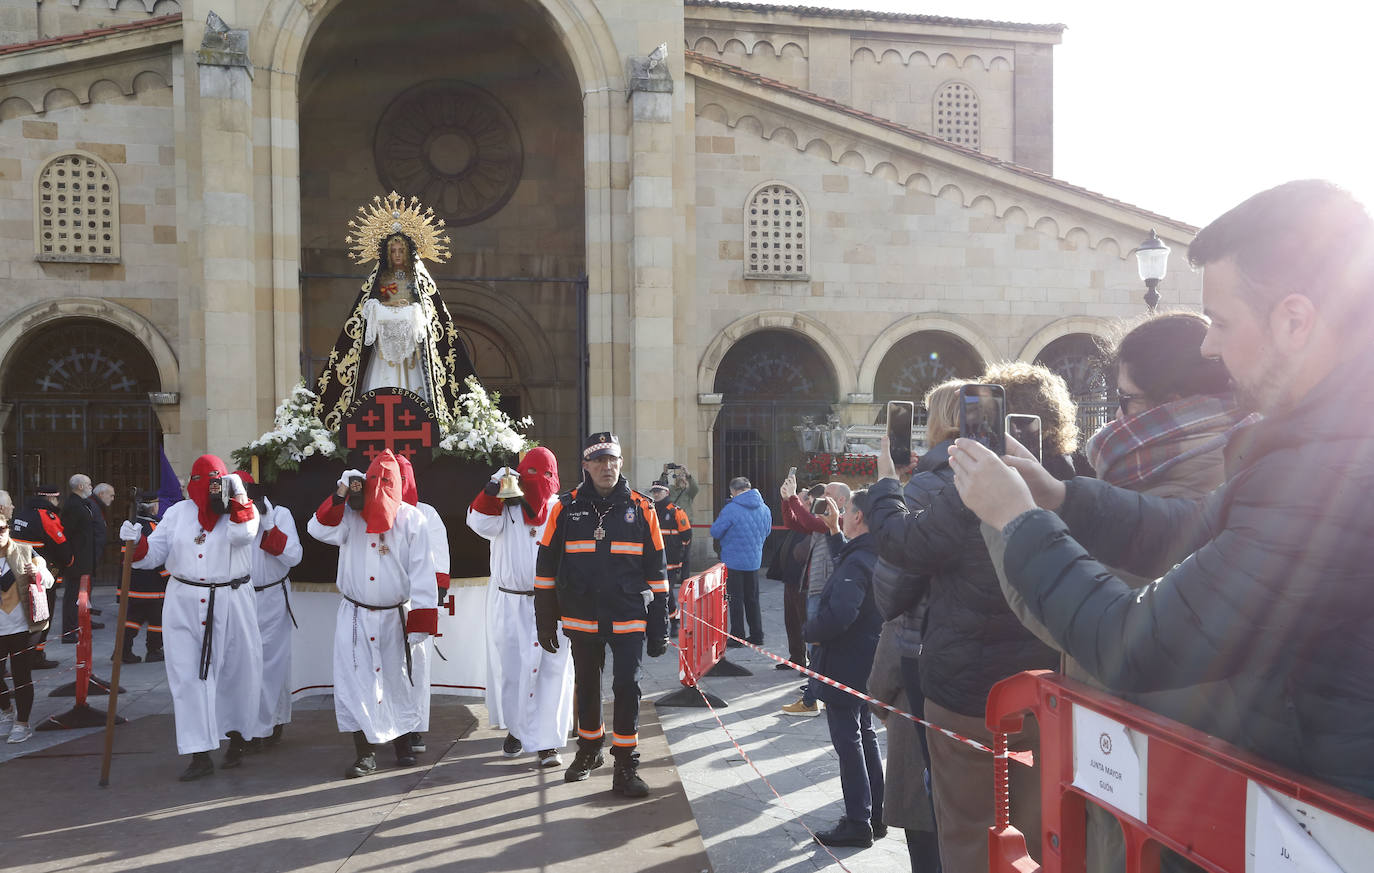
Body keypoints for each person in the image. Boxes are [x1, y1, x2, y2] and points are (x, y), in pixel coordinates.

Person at [947, 180, 1374, 802]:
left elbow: (1135, 645)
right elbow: (1192, 532)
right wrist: (1061, 497)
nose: (1209, 344)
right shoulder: (1320, 445)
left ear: (1294, 319)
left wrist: (1015, 519)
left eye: (1222, 322)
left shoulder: (1325, 474)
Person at [868, 362, 1079, 873]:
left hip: (967, 691)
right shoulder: (1080, 484)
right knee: (1040, 828)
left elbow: (900, 560)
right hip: (1051, 691)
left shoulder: (966, 487)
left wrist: (885, 486)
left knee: (968, 830)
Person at [534, 431, 669, 796]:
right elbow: (545, 564)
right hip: (580, 615)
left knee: (627, 686)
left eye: (612, 460)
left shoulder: (642, 508)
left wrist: (660, 623)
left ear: (621, 463)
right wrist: (544, 617)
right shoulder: (564, 507)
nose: (607, 467)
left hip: (627, 615)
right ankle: (590, 750)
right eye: (599, 460)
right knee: (587, 686)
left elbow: (657, 569)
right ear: (586, 466)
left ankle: (626, 764)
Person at [120, 456, 264, 781]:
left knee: (237, 670)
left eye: (217, 482)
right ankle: (199, 752)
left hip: (231, 597)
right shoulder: (176, 514)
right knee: (188, 677)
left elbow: (244, 534)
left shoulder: (241, 511)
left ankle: (238, 736)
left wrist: (238, 496)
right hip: (183, 599)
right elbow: (153, 555)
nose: (210, 490)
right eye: (203, 482)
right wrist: (137, 542)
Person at [872, 380, 964, 867]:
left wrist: (889, 490)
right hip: (1008, 671)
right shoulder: (1017, 472)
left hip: (931, 662)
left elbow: (890, 591)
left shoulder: (929, 485)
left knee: (934, 809)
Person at [306, 450, 437, 779]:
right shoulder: (349, 516)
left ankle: (403, 743)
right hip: (356, 616)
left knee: (398, 681)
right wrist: (340, 494)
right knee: (358, 682)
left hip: (396, 615)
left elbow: (423, 573)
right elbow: (317, 529)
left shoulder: (413, 520)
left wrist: (421, 622)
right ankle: (364, 753)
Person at [314, 192, 476, 430]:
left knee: (414, 394)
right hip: (383, 353)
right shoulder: (380, 278)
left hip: (412, 353)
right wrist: (384, 307)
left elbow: (430, 314)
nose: (398, 255)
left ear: (409, 251)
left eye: (401, 250)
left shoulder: (418, 279)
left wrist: (411, 310)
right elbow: (368, 309)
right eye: (393, 251)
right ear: (387, 254)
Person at [469, 448, 574, 767]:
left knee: (551, 671)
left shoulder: (562, 509)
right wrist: (491, 489)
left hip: (551, 603)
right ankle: (516, 730)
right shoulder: (506, 506)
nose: (535, 482)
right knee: (512, 670)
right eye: (529, 474)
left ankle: (547, 742)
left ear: (553, 477)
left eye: (543, 475)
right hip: (510, 600)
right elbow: (478, 523)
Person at [804, 488, 885, 848]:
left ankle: (858, 820)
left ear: (859, 516)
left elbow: (841, 613)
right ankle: (875, 814)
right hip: (865, 660)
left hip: (846, 661)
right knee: (864, 735)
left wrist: (812, 633)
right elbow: (849, 565)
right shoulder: (869, 551)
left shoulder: (859, 560)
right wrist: (835, 530)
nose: (844, 512)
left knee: (849, 741)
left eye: (847, 509)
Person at [867, 619, 940, 871]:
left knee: (923, 836)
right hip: (976, 729)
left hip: (916, 724)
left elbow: (881, 682)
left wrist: (881, 709)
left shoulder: (909, 604)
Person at [239, 473, 303, 750]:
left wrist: (267, 524)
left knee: (271, 666)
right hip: (239, 598)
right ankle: (244, 727)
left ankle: (267, 724)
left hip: (272, 596)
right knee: (241, 666)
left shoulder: (281, 514)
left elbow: (292, 556)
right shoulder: (228, 519)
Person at [779, 480, 851, 716]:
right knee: (817, 647)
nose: (822, 497)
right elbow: (794, 523)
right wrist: (785, 500)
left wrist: (793, 498)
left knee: (818, 646)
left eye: (828, 494)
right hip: (814, 587)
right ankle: (817, 694)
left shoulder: (839, 520)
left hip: (824, 589)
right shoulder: (826, 519)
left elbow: (809, 521)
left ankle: (813, 698)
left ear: (841, 500)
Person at [395, 454, 446, 757]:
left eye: (402, 479)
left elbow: (438, 561)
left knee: (416, 670)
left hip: (415, 603)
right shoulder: (370, 513)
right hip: (383, 605)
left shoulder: (426, 513)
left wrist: (429, 608)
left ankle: (413, 728)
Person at [0, 515, 54, 744]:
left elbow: (49, 580)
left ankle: (22, 723)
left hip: (23, 627)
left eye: (1, 528)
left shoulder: (25, 551)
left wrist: (38, 574)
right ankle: (6, 711)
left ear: (8, 528)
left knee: (21, 675)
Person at [11, 484, 70, 670]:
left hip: (16, 573)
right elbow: (61, 546)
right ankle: (35, 656)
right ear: (51, 499)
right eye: (57, 499)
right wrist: (69, 562)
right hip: (40, 575)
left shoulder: (21, 513)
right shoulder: (47, 516)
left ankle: (22, 655)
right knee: (43, 616)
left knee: (21, 617)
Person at [709, 476, 772, 646]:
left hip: (733, 560)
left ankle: (738, 635)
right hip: (754, 560)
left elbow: (716, 531)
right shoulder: (765, 508)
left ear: (734, 491)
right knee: (752, 598)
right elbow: (767, 531)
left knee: (735, 598)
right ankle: (757, 634)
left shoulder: (731, 509)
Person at [116, 491, 170, 664]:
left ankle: (122, 650)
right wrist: (168, 577)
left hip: (133, 584)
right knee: (156, 620)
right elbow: (161, 555)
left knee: (132, 618)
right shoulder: (154, 527)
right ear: (153, 507)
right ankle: (153, 650)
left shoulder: (131, 526)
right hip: (153, 585)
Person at [60, 474, 103, 642]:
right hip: (76, 560)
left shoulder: (82, 504)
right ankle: (68, 631)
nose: (91, 487)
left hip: (84, 558)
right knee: (72, 597)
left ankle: (78, 625)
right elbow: (68, 533)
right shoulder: (73, 505)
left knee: (80, 597)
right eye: (88, 484)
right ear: (80, 486)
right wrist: (70, 557)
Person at [648, 480, 692, 635]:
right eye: (654, 491)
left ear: (667, 492)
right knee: (651, 594)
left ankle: (675, 621)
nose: (656, 494)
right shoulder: (649, 510)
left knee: (667, 594)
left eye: (659, 491)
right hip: (653, 560)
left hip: (671, 561)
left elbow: (687, 537)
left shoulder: (676, 511)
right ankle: (654, 625)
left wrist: (682, 560)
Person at [89, 482, 113, 588]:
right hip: (90, 552)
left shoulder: (97, 505)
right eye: (111, 495)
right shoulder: (92, 505)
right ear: (101, 494)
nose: (112, 499)